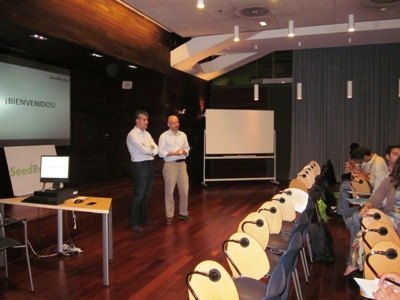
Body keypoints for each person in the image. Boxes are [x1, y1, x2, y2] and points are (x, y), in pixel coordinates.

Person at [343, 155, 400, 278]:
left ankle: (356, 266)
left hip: (395, 224)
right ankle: (361, 266)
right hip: (388, 218)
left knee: (366, 230)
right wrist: (367, 206)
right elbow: (375, 199)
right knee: (366, 228)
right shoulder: (391, 181)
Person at [126, 110, 158, 233]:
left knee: (146, 194)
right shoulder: (132, 135)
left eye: (147, 120)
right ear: (137, 120)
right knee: (139, 194)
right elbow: (145, 150)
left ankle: (143, 219)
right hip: (139, 166)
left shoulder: (147, 134)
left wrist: (151, 148)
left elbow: (156, 147)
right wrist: (151, 149)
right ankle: (133, 223)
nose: (147, 122)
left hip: (149, 164)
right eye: (144, 119)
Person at [158, 115, 191, 225]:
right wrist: (174, 153)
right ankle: (169, 215)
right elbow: (160, 152)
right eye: (173, 123)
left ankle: (183, 213)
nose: (176, 124)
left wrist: (185, 151)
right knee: (169, 192)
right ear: (168, 124)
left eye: (177, 122)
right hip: (170, 164)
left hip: (182, 164)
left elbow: (187, 148)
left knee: (184, 191)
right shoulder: (164, 136)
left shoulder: (183, 135)